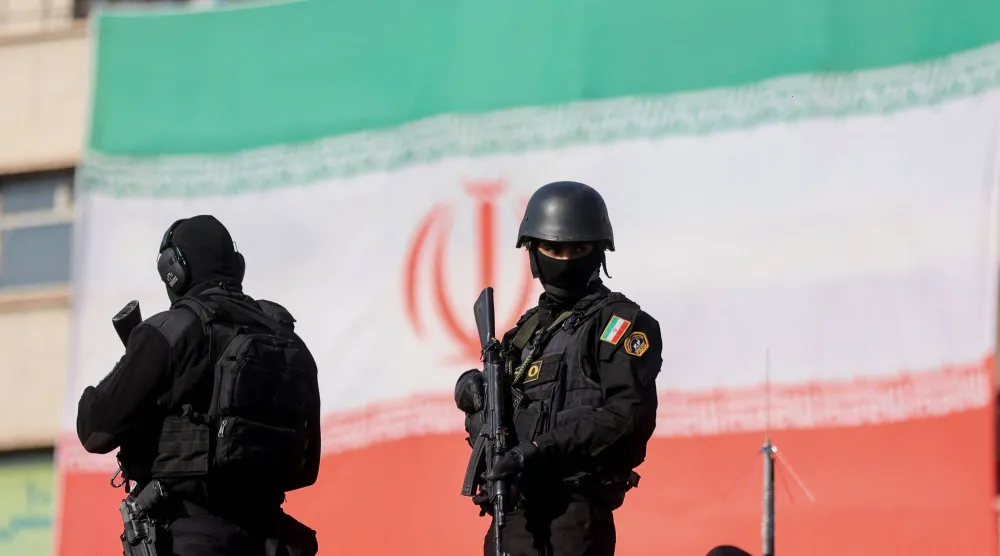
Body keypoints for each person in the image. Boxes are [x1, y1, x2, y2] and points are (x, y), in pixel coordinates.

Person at [76, 215, 321, 556]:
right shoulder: (286, 338)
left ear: (174, 269)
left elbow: (95, 429)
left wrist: (131, 358)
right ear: (237, 267)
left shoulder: (170, 331)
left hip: (190, 536)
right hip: (273, 540)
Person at [455, 181, 663, 556]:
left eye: (577, 249)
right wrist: (473, 390)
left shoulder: (619, 324)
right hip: (512, 516)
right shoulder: (525, 333)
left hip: (573, 515)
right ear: (534, 252)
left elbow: (626, 416)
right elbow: (493, 422)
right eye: (553, 248)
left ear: (597, 252)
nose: (564, 259)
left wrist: (535, 451)